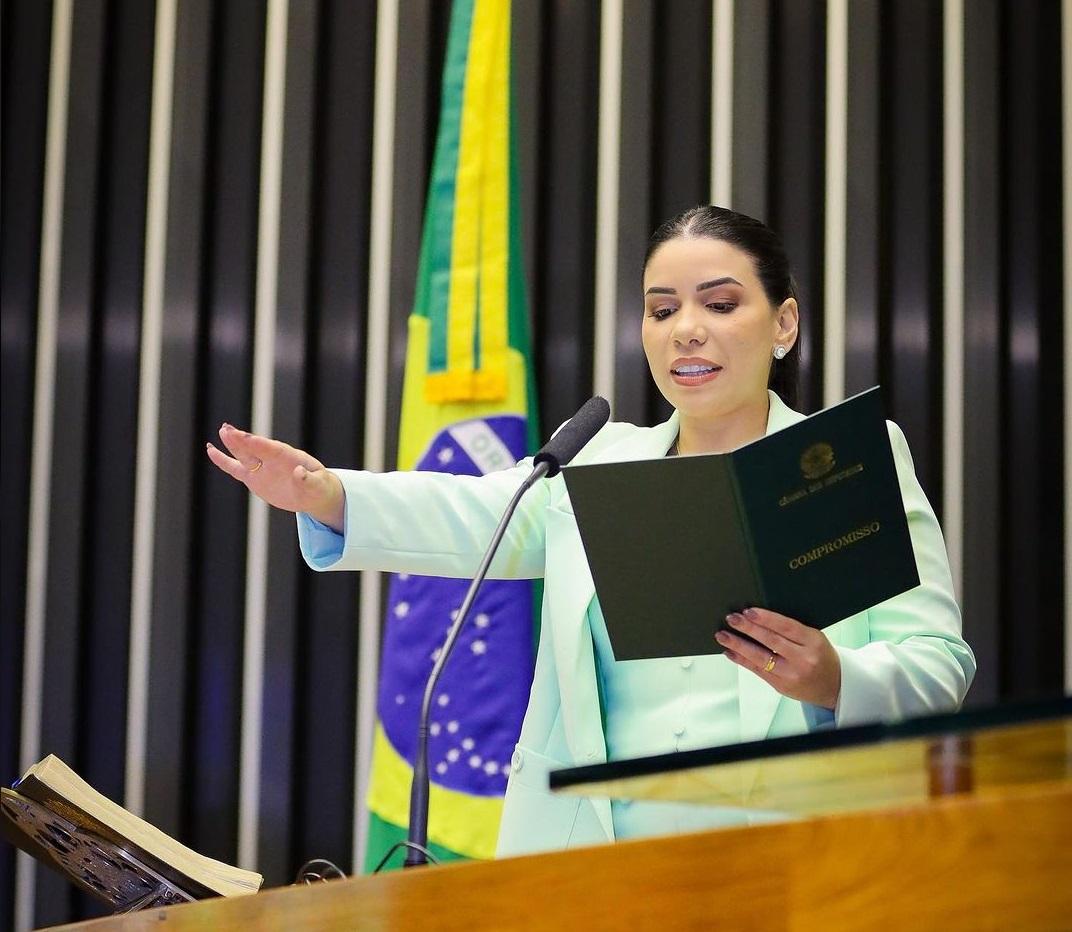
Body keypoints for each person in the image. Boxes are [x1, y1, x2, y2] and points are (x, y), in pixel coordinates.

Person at [206, 205, 976, 856]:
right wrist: (327, 492)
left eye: (719, 304)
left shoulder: (852, 460)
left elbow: (938, 662)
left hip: (792, 859)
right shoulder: (600, 460)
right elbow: (475, 513)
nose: (687, 331)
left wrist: (835, 678)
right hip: (593, 863)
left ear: (784, 324)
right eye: (663, 310)